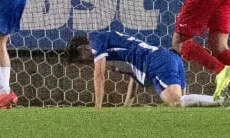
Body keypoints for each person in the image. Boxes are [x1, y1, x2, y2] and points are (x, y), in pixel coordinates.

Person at [66, 32, 221, 110]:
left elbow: (99, 76)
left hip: (157, 63)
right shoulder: (115, 52)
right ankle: (221, 102)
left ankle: (223, 101)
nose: (84, 64)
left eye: (80, 60)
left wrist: (97, 108)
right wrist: (127, 106)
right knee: (179, 104)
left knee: (176, 102)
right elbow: (133, 75)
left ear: (82, 48)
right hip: (168, 58)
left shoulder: (97, 41)